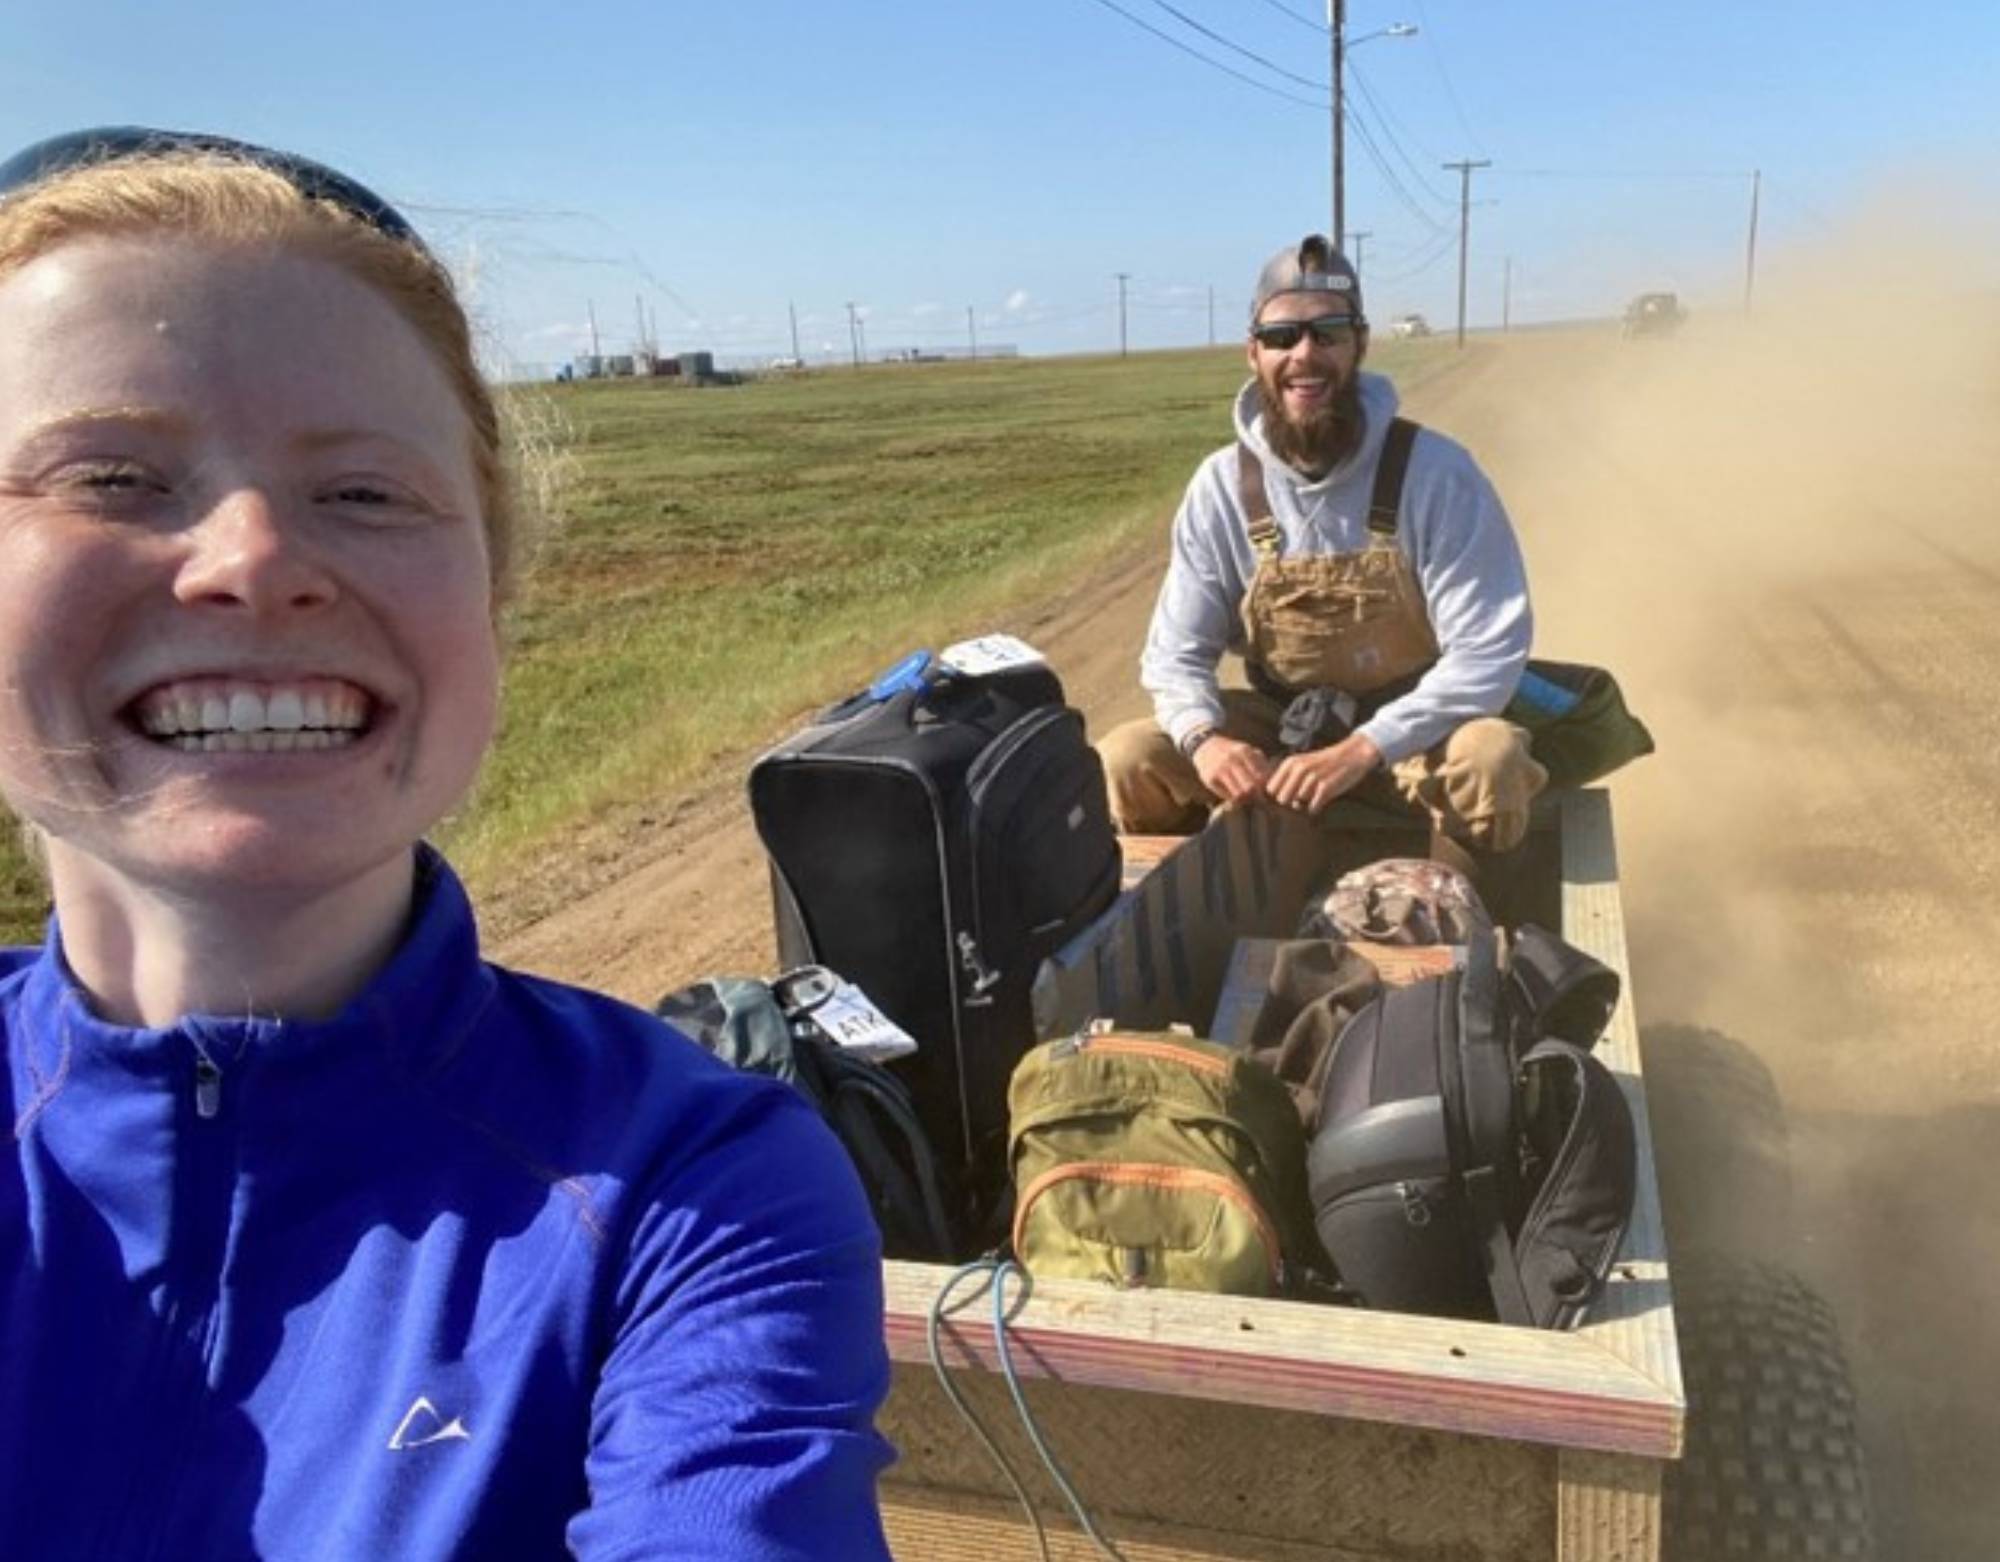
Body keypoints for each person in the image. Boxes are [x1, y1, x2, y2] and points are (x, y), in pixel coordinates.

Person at [0, 128, 893, 1560]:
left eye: (361, 492)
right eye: (111, 476)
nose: (251, 558)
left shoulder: (686, 1189)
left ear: (494, 603)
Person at [1097, 234, 1549, 866]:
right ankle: (1171, 926)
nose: (1304, 355)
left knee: (1491, 758)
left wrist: (1364, 748)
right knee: (1129, 758)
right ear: (1253, 353)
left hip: (1416, 739)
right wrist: (1205, 742)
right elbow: (1174, 656)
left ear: (1358, 345)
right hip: (1282, 736)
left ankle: (1476, 916)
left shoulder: (1437, 473)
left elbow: (1486, 655)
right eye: (1283, 337)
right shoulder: (1221, 488)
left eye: (1327, 334)